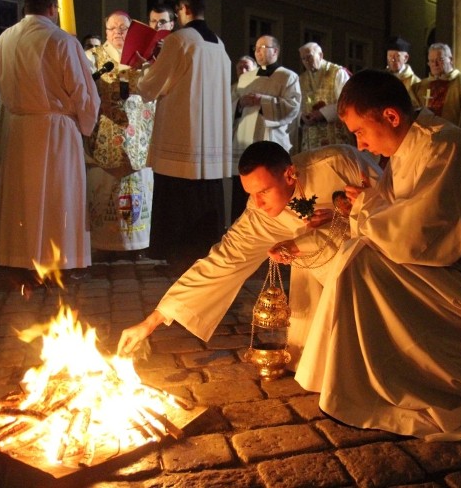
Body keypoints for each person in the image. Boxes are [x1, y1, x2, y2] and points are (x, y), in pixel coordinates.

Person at [295, 69, 461, 440]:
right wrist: (359, 205)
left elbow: (416, 234)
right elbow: (393, 207)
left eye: (361, 132)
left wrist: (365, 208)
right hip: (451, 264)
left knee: (363, 263)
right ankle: (349, 378)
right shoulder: (409, 145)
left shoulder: (446, 147)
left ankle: (367, 384)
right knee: (357, 253)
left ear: (391, 116)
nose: (362, 145)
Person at [118, 140, 381, 368]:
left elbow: (391, 200)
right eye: (251, 194)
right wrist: (151, 322)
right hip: (320, 272)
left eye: (264, 191)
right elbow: (221, 262)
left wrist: (350, 213)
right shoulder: (259, 214)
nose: (258, 202)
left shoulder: (336, 162)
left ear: (290, 175)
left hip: (373, 260)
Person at [0, 0, 100, 273]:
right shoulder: (62, 40)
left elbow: (1, 87)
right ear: (53, 9)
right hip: (55, 129)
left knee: (22, 196)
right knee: (57, 196)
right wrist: (86, 124)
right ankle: (57, 262)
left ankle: (19, 258)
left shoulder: (4, 38)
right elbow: (83, 92)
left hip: (18, 128)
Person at [136, 0, 232, 270]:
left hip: (183, 131)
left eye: (177, 12)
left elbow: (152, 86)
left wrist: (143, 71)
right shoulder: (220, 44)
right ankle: (203, 252)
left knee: (177, 196)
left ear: (183, 9)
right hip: (211, 136)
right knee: (204, 195)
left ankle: (177, 255)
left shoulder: (179, 40)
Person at [85, 9, 156, 257]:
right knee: (104, 190)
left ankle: (136, 246)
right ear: (105, 32)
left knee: (134, 193)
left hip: (137, 138)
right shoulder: (93, 57)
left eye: (123, 28)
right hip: (104, 136)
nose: (118, 32)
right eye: (112, 28)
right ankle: (103, 245)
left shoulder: (144, 59)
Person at [232, 34, 301, 219]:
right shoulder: (246, 78)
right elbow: (231, 103)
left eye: (263, 48)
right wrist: (239, 103)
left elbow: (293, 107)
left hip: (270, 137)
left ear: (275, 51)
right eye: (256, 48)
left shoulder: (288, 76)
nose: (258, 52)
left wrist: (264, 101)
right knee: (242, 193)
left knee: (268, 187)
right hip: (244, 140)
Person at [412, 43, 461, 148]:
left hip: (455, 145)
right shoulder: (418, 87)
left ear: (451, 59)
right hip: (424, 145)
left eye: (440, 59)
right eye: (432, 61)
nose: (435, 64)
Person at [296, 42, 352, 151]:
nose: (307, 62)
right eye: (303, 59)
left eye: (309, 57)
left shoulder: (337, 73)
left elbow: (346, 103)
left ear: (320, 55)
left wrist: (322, 113)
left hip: (335, 135)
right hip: (310, 138)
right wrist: (302, 117)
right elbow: (296, 106)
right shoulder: (301, 79)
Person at [385, 36, 420, 107]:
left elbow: (417, 107)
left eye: (397, 56)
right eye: (390, 56)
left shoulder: (415, 82)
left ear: (406, 58)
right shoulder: (382, 77)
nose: (392, 60)